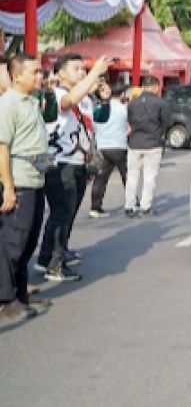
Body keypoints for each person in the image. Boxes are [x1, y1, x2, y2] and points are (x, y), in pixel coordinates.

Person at [37, 53, 111, 282]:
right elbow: (68, 102)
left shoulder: (86, 99)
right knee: (61, 213)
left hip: (79, 162)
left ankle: (50, 255)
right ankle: (54, 264)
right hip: (60, 162)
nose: (82, 72)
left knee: (67, 214)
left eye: (83, 68)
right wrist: (94, 74)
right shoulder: (58, 94)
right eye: (76, 69)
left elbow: (98, 118)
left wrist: (105, 100)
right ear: (60, 74)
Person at [0, 54, 56, 324]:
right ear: (17, 75)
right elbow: (2, 147)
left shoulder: (32, 102)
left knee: (27, 242)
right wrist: (8, 187)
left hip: (35, 180)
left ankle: (20, 293)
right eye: (34, 72)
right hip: (19, 182)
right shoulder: (8, 104)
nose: (40, 76)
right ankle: (6, 299)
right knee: (12, 244)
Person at [124, 75, 173, 218]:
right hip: (153, 143)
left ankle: (129, 205)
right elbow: (167, 122)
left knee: (132, 175)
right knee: (149, 176)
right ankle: (146, 206)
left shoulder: (132, 104)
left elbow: (130, 121)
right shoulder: (161, 103)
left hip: (134, 143)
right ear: (155, 87)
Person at [88, 83, 129, 218]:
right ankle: (131, 204)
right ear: (122, 95)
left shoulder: (99, 108)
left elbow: (93, 126)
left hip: (102, 147)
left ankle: (95, 208)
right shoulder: (124, 109)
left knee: (100, 179)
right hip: (119, 147)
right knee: (127, 177)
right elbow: (130, 128)